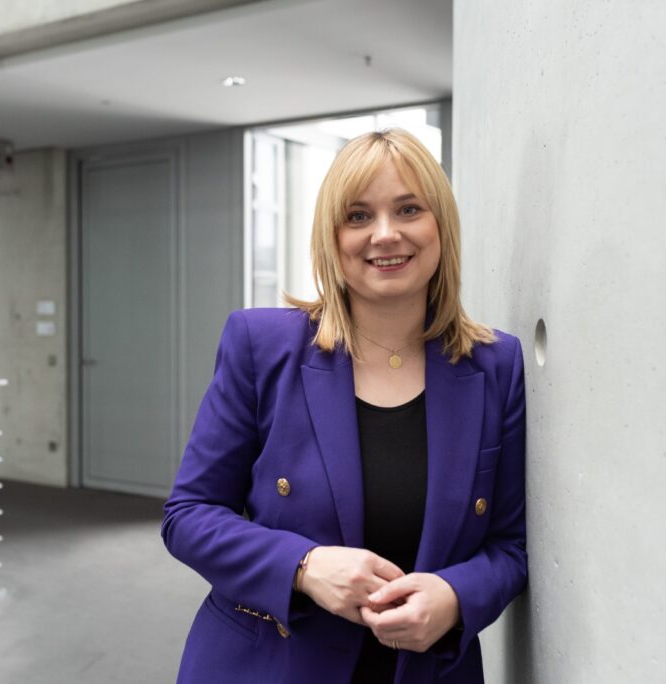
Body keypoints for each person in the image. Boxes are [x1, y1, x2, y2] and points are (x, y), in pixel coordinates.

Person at [161, 128, 527, 683]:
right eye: (357, 216)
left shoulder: (496, 365)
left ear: (441, 227)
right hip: (271, 665)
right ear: (331, 239)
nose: (385, 234)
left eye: (408, 209)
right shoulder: (261, 345)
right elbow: (188, 516)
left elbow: (510, 545)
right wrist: (303, 568)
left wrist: (455, 597)